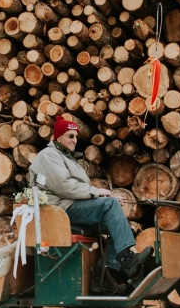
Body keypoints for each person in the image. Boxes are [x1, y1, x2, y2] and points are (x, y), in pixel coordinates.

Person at [28, 116, 153, 283]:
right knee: (110, 204)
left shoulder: (64, 156)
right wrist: (99, 192)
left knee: (115, 222)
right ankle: (128, 259)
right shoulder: (49, 155)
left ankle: (106, 278)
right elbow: (64, 186)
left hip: (68, 206)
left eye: (76, 136)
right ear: (58, 137)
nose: (74, 139)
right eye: (70, 135)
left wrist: (103, 198)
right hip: (58, 210)